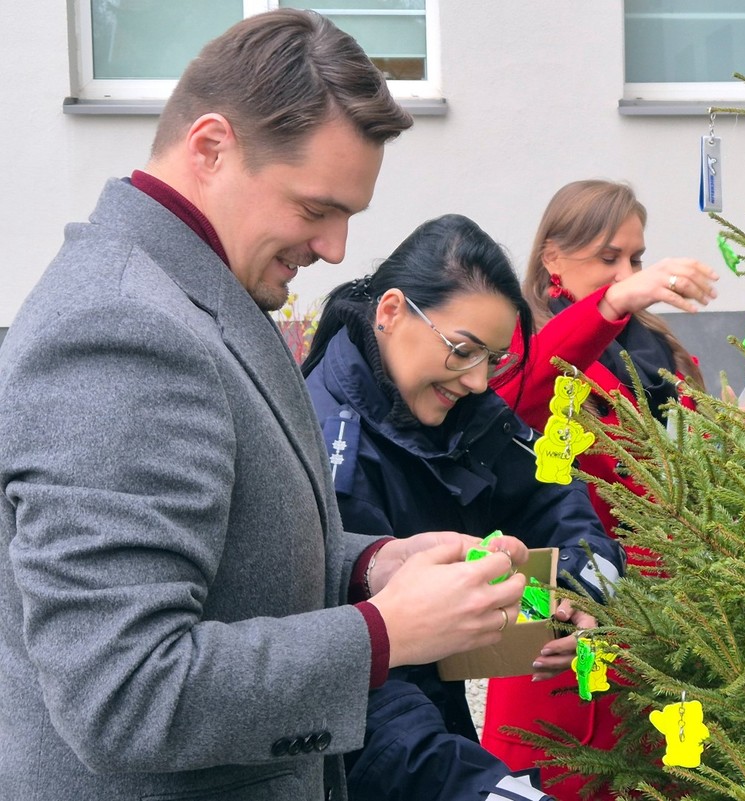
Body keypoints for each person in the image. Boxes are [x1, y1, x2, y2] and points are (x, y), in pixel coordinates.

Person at [0, 11, 527, 801]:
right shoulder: (122, 327)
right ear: (211, 148)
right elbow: (124, 694)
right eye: (316, 209)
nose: (337, 249)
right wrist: (384, 635)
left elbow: (221, 555)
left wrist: (371, 566)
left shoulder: (192, 295)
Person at [301, 213, 625, 801]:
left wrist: (578, 594)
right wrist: (485, 789)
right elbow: (359, 689)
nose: (478, 381)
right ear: (392, 312)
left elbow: (556, 493)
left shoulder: (456, 409)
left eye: (495, 360)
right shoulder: (328, 450)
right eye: (463, 351)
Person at [485, 180, 720, 800]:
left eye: (636, 259)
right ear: (553, 259)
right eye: (609, 258)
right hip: (563, 597)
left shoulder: (653, 343)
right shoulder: (522, 338)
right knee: (564, 774)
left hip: (661, 608)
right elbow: (522, 397)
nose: (628, 273)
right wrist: (614, 302)